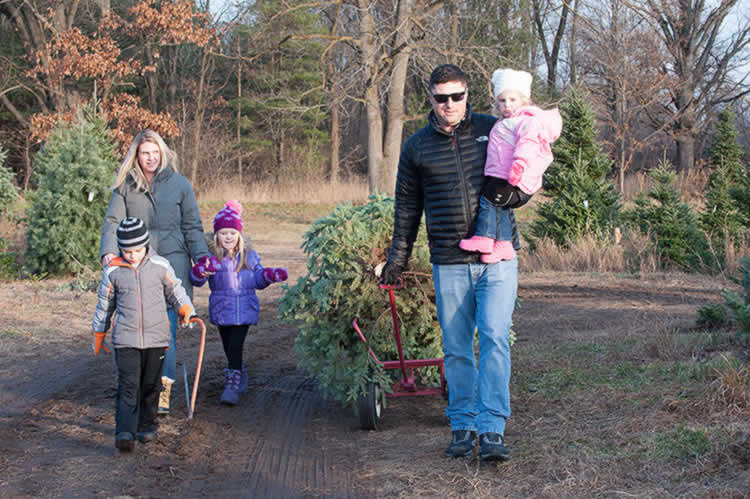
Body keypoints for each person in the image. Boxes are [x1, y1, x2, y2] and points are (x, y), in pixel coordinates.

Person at [380, 64, 526, 462]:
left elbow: (528, 161)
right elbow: (407, 208)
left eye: (456, 96)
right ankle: (463, 425)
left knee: (495, 339)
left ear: (467, 96)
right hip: (449, 261)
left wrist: (519, 197)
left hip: (497, 260)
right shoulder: (416, 148)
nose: (449, 104)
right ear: (430, 98)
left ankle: (493, 428)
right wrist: (397, 259)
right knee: (458, 348)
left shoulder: (493, 128)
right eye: (441, 97)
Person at [99, 129, 210, 415]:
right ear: (136, 155)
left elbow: (193, 227)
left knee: (166, 332)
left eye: (155, 152)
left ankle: (162, 391)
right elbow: (112, 221)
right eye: (145, 153)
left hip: (174, 264)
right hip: (136, 265)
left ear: (163, 153)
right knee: (136, 329)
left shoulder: (180, 185)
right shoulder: (125, 187)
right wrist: (109, 251)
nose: (150, 158)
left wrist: (201, 258)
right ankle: (138, 387)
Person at [92, 217, 195, 452]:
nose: (132, 255)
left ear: (146, 245)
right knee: (128, 385)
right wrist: (99, 332)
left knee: (150, 385)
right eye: (127, 250)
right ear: (120, 248)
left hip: (156, 339)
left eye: (137, 250)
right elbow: (104, 305)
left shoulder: (160, 265)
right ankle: (125, 432)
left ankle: (147, 425)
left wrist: (185, 307)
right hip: (126, 340)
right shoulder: (113, 271)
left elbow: (176, 290)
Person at [190, 200, 288, 406]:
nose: (228, 237)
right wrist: (201, 271)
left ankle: (232, 384)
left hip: (244, 311)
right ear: (216, 235)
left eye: (232, 233)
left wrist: (270, 275)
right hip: (222, 311)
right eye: (224, 233)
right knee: (228, 348)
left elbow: (258, 278)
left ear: (239, 235)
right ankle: (239, 372)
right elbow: (197, 279)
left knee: (235, 346)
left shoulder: (248, 257)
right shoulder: (212, 258)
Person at [459, 68, 562, 261]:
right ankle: (504, 245)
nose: (507, 105)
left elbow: (528, 143)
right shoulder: (508, 121)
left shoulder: (524, 121)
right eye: (502, 100)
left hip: (511, 176)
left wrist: (519, 164)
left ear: (524, 100)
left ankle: (485, 237)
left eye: (512, 100)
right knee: (501, 208)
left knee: (488, 201)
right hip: (502, 174)